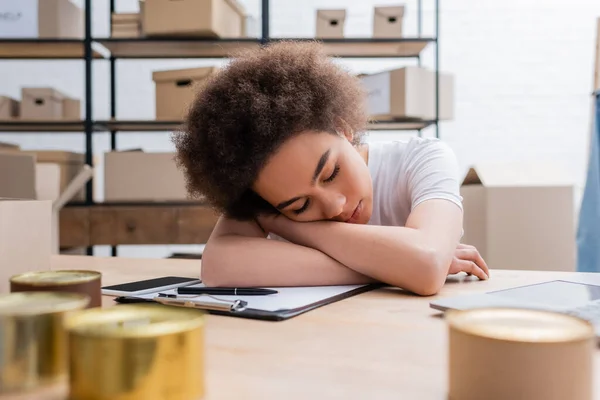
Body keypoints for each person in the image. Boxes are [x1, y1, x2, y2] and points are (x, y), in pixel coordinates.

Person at [173, 41, 489, 295]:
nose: (335, 206)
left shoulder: (423, 158)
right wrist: (397, 266)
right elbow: (217, 268)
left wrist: (291, 224)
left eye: (330, 173)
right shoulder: (260, 191)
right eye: (299, 206)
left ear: (343, 130)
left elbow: (427, 264)